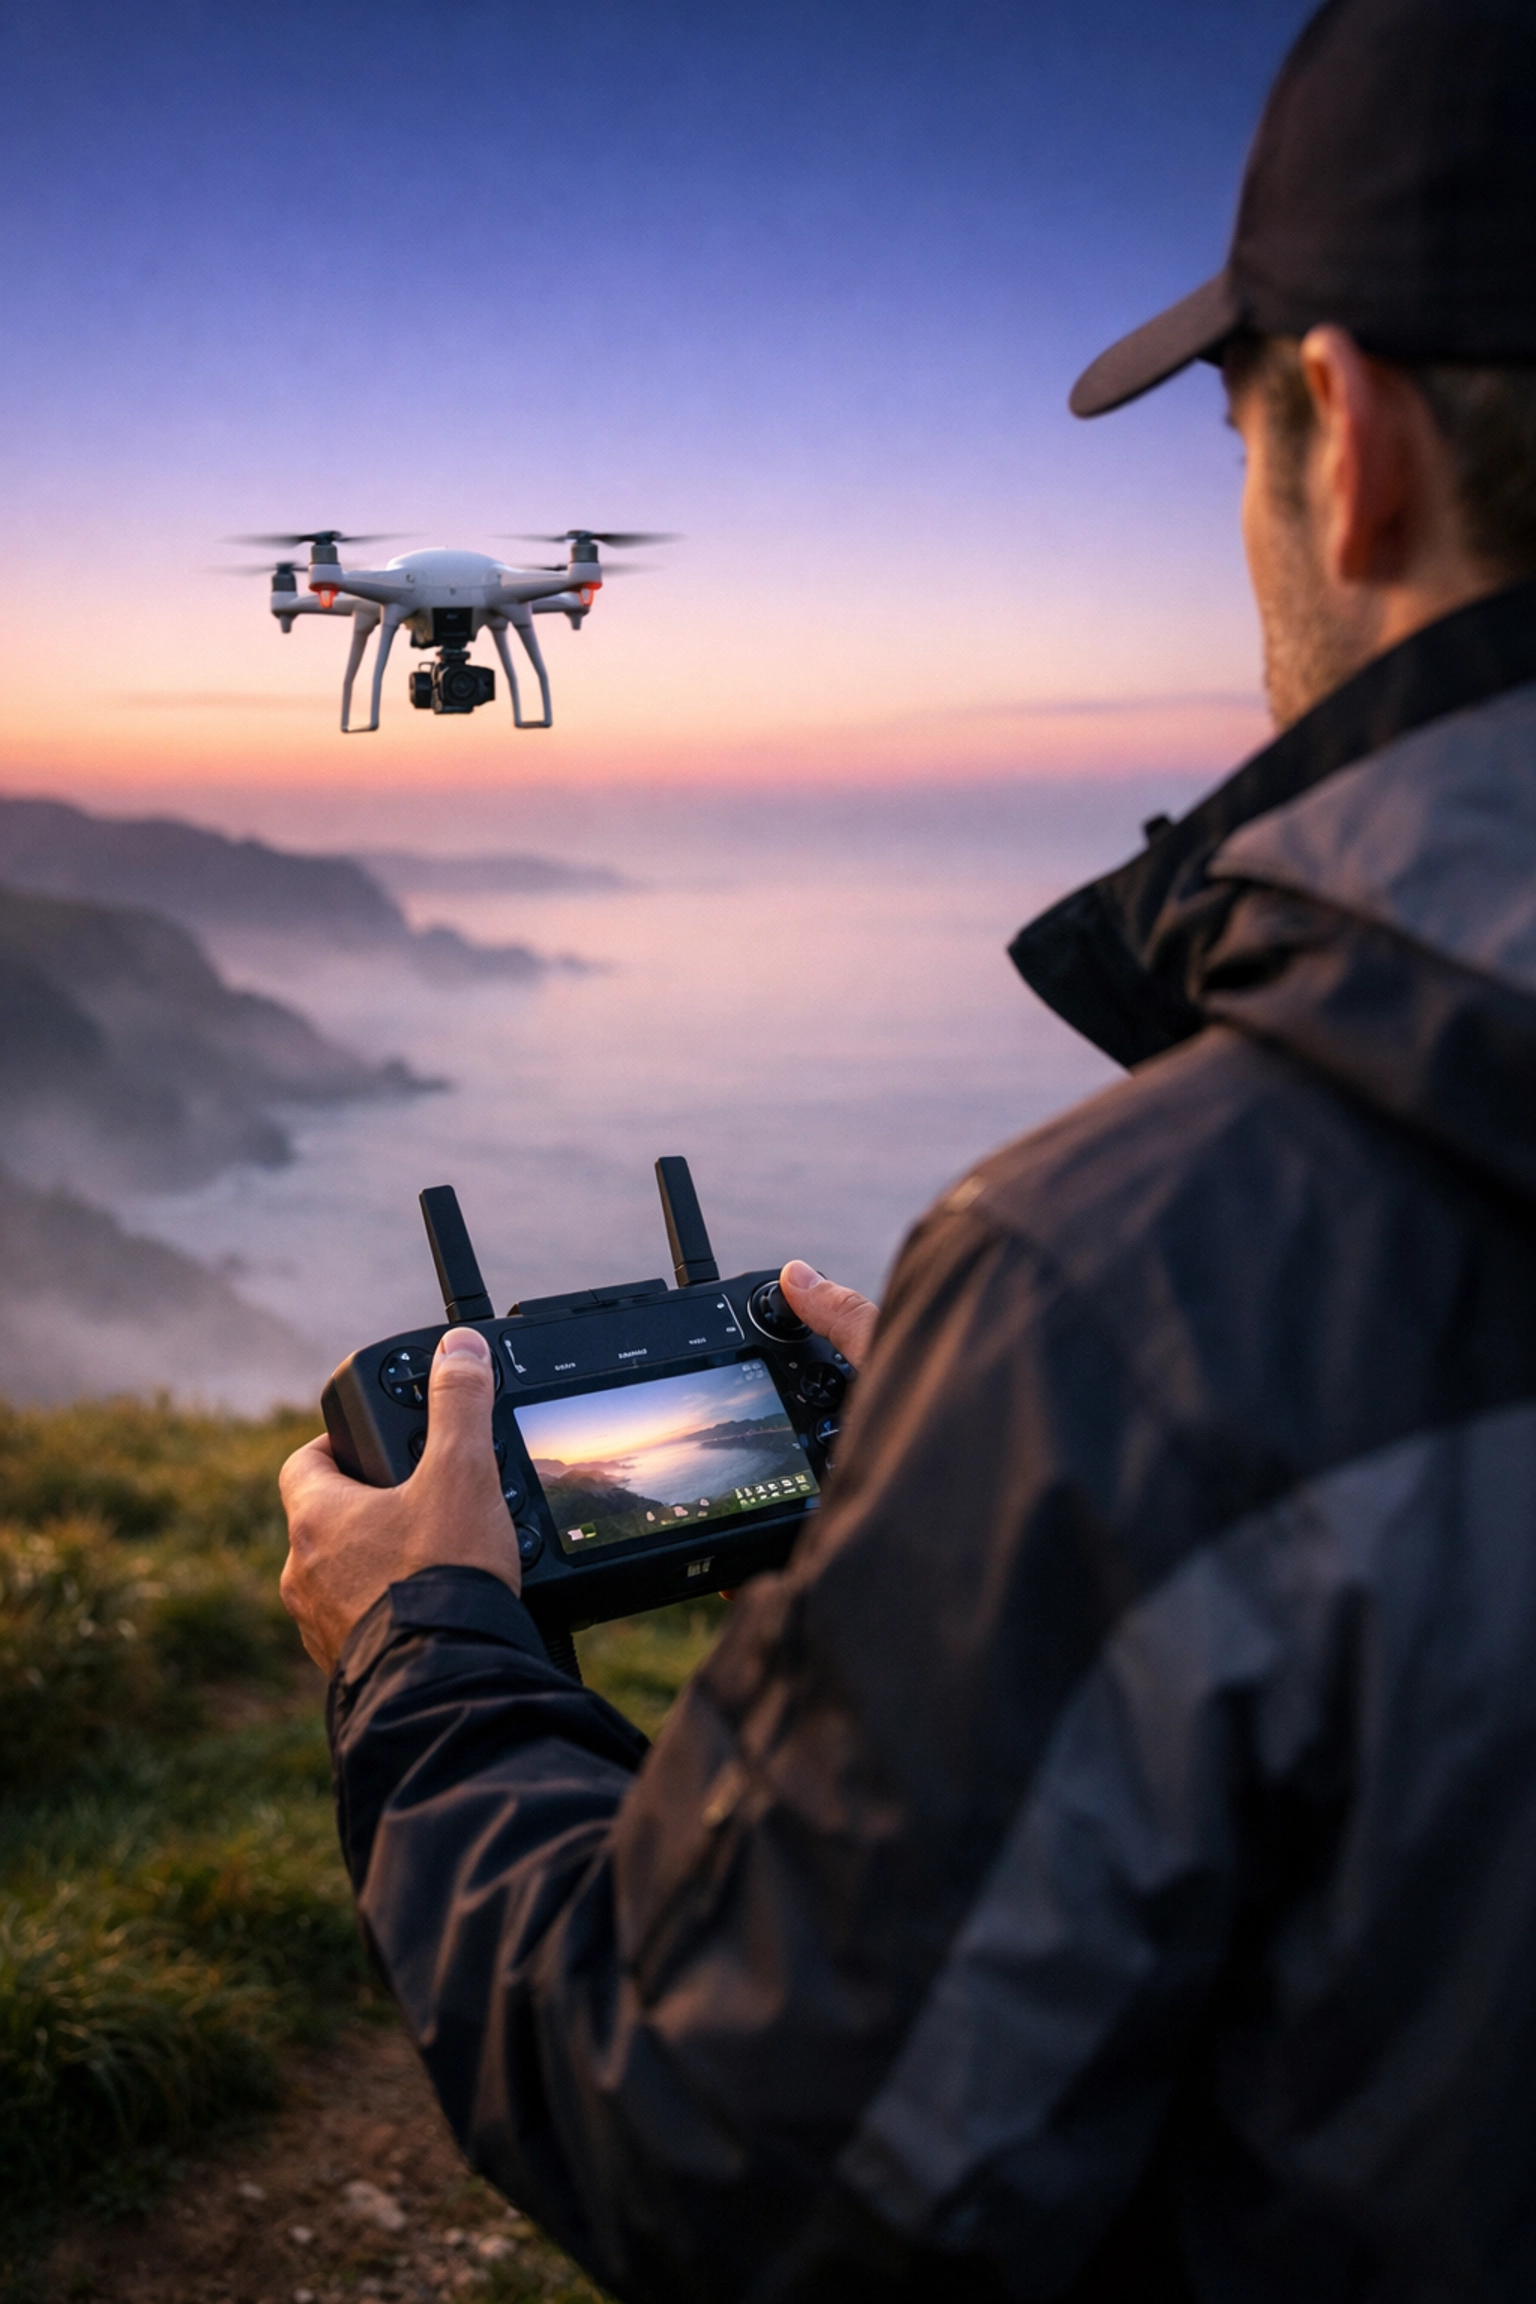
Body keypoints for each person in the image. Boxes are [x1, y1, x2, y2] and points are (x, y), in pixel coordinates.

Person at [279, 0, 1536, 2294]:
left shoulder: (1132, 1300)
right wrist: (1010, 1554)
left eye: (1237, 437)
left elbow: (712, 2148)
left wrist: (428, 1645)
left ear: (1341, 443)